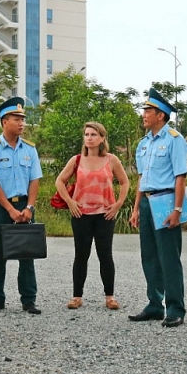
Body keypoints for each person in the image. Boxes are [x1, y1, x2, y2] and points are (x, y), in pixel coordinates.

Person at [128, 88, 187, 328]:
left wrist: (177, 209)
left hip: (165, 201)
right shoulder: (143, 144)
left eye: (148, 111)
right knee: (150, 257)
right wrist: (135, 208)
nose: (143, 115)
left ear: (161, 115)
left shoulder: (174, 139)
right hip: (146, 202)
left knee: (169, 258)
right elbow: (142, 179)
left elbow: (180, 177)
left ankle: (175, 308)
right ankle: (155, 304)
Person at [56, 122, 129, 310]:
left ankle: (110, 297)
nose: (89, 138)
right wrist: (70, 202)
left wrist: (118, 204)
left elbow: (124, 182)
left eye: (94, 134)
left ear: (102, 138)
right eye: (87, 134)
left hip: (105, 214)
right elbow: (60, 181)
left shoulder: (111, 160)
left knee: (105, 254)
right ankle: (77, 296)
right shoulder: (77, 160)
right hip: (81, 214)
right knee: (81, 254)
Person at [0, 97, 43, 315]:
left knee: (27, 253)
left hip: (24, 205)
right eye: (17, 119)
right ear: (4, 122)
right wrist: (10, 210)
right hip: (1, 208)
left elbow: (35, 180)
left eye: (23, 119)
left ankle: (29, 300)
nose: (22, 123)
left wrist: (30, 208)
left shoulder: (30, 150)